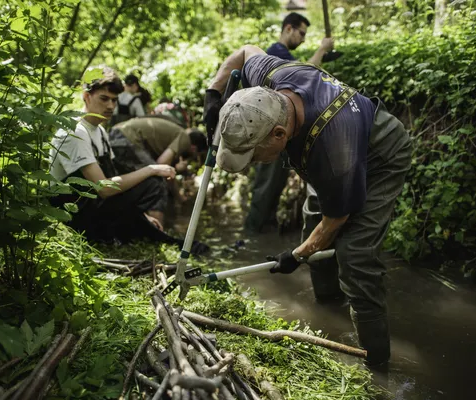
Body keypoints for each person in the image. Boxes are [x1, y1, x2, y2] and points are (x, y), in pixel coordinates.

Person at [203, 46, 411, 368]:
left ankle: (377, 364)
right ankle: (328, 305)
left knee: (355, 255)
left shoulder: (333, 155)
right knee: (310, 217)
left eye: (254, 154)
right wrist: (212, 94)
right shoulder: (270, 77)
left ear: (279, 133)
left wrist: (296, 256)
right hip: (327, 145)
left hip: (380, 155)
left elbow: (335, 220)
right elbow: (244, 52)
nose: (254, 164)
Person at [48, 66, 207, 254]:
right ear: (86, 96)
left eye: (114, 100)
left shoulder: (100, 132)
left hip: (94, 205)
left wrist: (142, 217)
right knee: (152, 177)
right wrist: (150, 168)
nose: (110, 106)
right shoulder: (75, 131)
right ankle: (146, 235)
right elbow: (105, 188)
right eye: (104, 99)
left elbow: (115, 182)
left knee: (153, 184)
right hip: (73, 214)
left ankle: (152, 229)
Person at [246, 12, 334, 233]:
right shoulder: (275, 51)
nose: (303, 39)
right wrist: (322, 49)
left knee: (273, 186)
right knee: (266, 186)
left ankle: (263, 234)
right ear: (288, 29)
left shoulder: (282, 54)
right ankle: (252, 234)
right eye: (301, 33)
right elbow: (304, 75)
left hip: (281, 132)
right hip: (271, 132)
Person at [109, 116, 207, 175]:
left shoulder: (177, 131)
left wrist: (179, 198)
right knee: (155, 179)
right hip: (127, 137)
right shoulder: (185, 139)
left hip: (117, 132)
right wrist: (177, 169)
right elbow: (160, 165)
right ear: (194, 148)